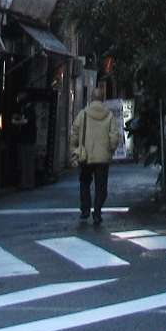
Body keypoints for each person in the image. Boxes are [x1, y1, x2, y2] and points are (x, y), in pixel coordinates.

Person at [71, 83, 122, 226]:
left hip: (85, 156)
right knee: (101, 187)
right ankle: (97, 212)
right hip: (103, 157)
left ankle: (85, 210)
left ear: (91, 98)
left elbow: (74, 131)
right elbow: (114, 136)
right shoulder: (109, 115)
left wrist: (74, 149)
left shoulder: (83, 114)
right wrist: (110, 149)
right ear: (103, 99)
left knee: (85, 183)